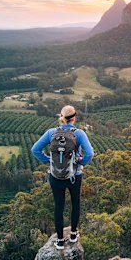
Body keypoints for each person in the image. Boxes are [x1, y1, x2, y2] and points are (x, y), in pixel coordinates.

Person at [31, 105, 93, 249]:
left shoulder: (51, 132)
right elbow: (90, 154)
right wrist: (80, 162)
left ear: (61, 117)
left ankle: (59, 240)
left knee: (58, 206)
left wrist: (48, 161)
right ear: (74, 118)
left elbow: (35, 150)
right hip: (74, 175)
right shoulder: (79, 134)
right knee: (75, 203)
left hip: (55, 176)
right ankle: (72, 235)